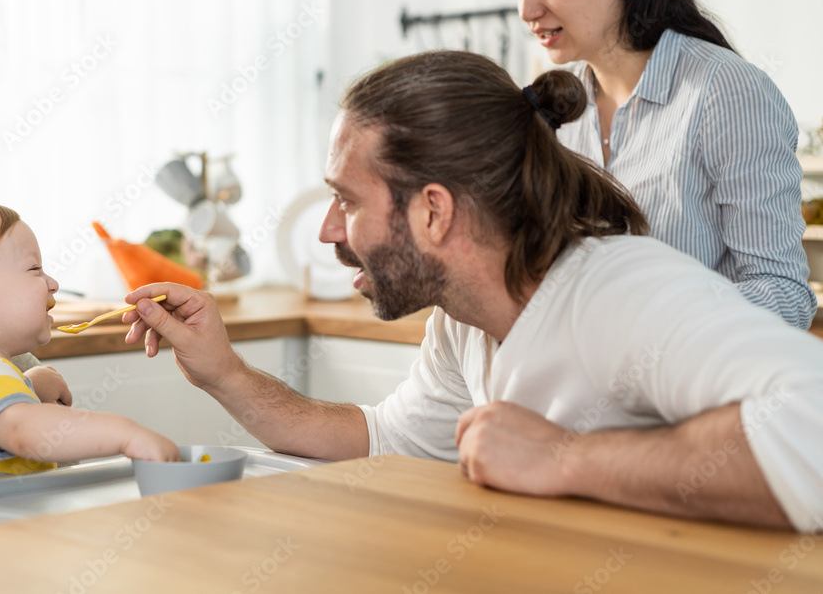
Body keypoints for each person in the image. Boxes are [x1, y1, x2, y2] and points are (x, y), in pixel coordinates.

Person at [121, 51, 823, 532]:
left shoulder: (621, 289)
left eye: (346, 200)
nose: (329, 229)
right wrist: (225, 373)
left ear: (433, 210)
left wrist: (560, 458)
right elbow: (385, 439)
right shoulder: (466, 319)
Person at [508, 0, 816, 329]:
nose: (527, 10)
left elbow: (784, 295)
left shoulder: (724, 91)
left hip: (697, 387)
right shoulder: (559, 111)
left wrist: (652, 323)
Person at [0, 201, 179, 486]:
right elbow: (21, 431)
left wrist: (27, 386)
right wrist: (127, 434)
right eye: (34, 269)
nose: (52, 283)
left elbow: (0, 411)